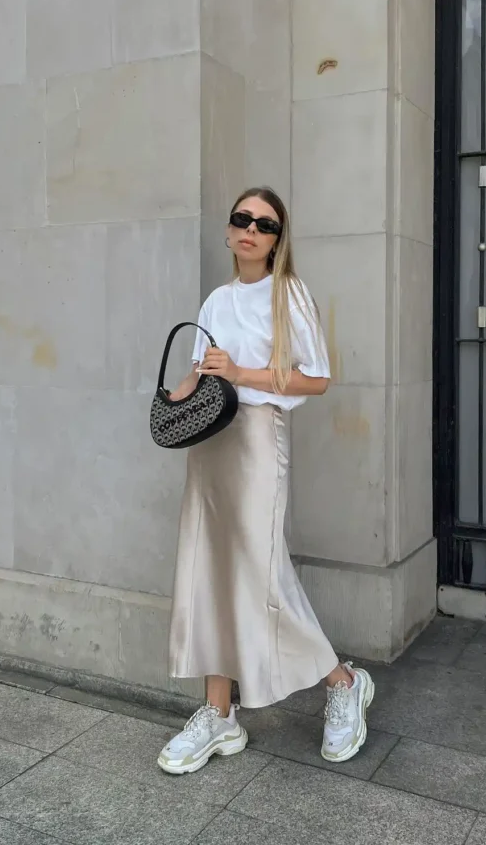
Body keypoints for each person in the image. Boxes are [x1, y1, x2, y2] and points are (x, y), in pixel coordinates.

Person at [157, 186, 374, 775]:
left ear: (277, 239)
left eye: (265, 224)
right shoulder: (215, 301)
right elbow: (201, 372)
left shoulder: (289, 294)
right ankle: (218, 713)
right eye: (242, 219)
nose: (251, 229)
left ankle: (342, 681)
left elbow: (318, 379)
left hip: (256, 438)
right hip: (210, 439)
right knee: (208, 566)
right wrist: (170, 399)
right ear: (229, 232)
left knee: (260, 570)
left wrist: (242, 372)